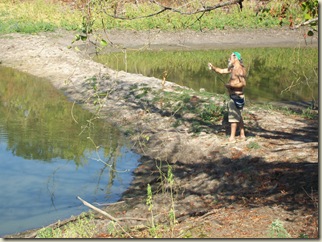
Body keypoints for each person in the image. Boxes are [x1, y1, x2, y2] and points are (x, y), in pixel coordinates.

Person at [208, 52, 246, 143]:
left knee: (233, 118)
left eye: (230, 58)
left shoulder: (240, 70)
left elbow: (243, 83)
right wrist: (213, 67)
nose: (229, 59)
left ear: (236, 58)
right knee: (239, 116)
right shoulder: (232, 68)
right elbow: (222, 71)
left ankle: (232, 138)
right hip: (233, 96)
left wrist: (230, 85)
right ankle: (242, 135)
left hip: (237, 97)